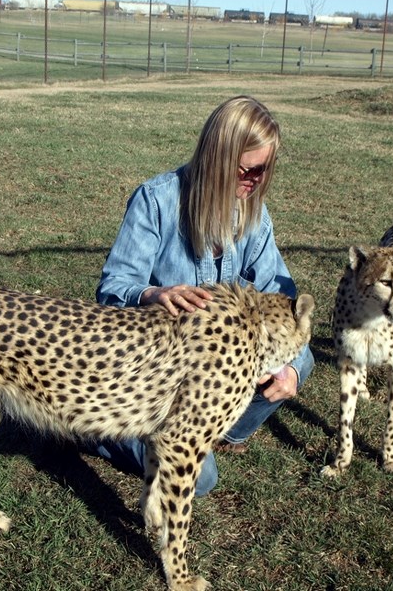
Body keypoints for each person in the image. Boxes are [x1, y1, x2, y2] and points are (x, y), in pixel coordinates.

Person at [90, 95, 314, 496]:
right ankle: (96, 430)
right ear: (216, 157)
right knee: (203, 479)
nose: (257, 182)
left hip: (211, 375)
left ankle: (221, 431)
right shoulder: (156, 201)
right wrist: (151, 293)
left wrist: (291, 368)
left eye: (265, 171)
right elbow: (111, 292)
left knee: (303, 355)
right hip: (149, 378)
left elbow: (285, 299)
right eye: (249, 170)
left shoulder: (254, 216)